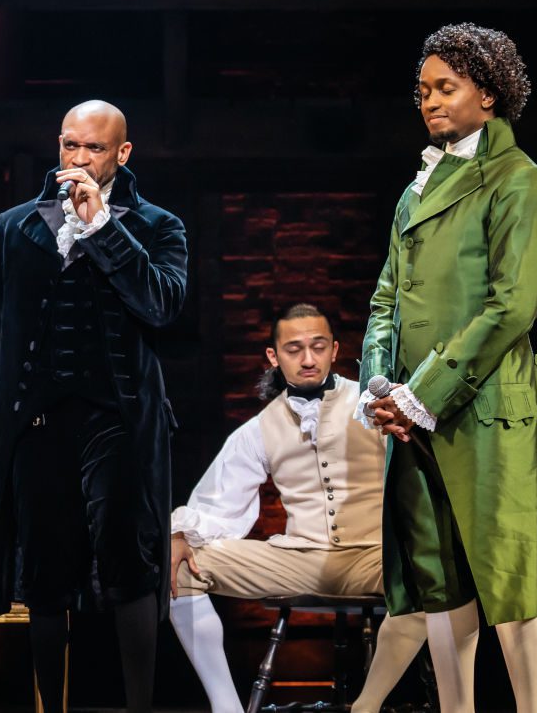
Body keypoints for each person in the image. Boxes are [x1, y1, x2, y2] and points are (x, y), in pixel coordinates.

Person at [0, 100, 186, 713]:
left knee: (130, 566)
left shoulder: (157, 226)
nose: (78, 159)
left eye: (94, 149)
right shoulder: (15, 227)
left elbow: (162, 305)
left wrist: (104, 227)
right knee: (46, 573)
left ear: (122, 154)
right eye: (70, 146)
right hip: (38, 420)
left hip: (120, 423)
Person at [363, 23, 537, 713]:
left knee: (509, 579)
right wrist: (379, 388)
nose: (430, 102)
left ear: (490, 93)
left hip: (486, 412)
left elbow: (511, 308)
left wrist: (422, 394)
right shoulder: (415, 191)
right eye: (423, 91)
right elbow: (386, 298)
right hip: (413, 416)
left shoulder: (521, 184)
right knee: (439, 582)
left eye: (446, 88)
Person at [167, 303, 427, 713]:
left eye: (318, 347)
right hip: (301, 558)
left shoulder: (369, 403)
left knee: (431, 575)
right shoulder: (260, 427)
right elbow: (217, 504)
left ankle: (368, 705)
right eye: (294, 349)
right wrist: (180, 534)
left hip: (374, 556)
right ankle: (227, 707)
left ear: (334, 350)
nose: (308, 359)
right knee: (179, 567)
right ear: (274, 356)